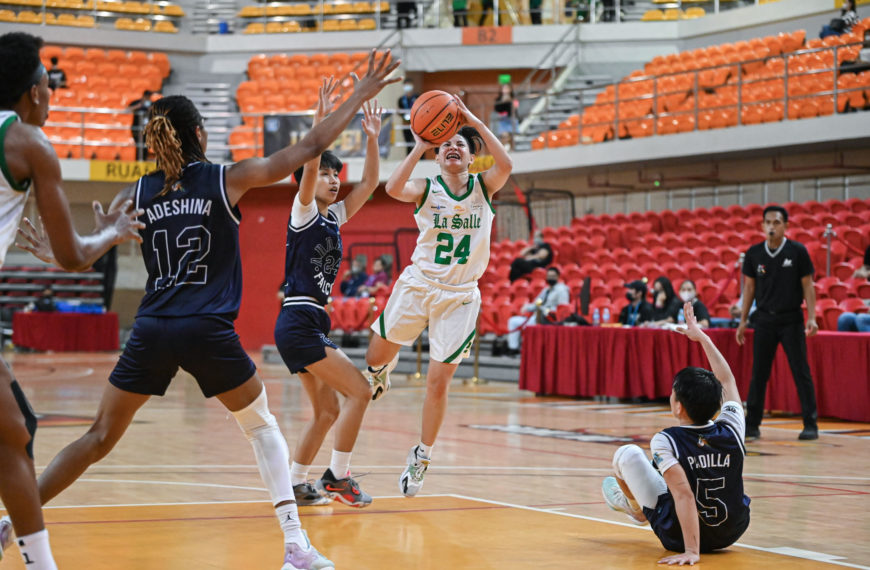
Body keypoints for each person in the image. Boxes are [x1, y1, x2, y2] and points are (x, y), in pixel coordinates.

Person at [21, 50, 401, 569]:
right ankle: (295, 546)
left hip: (152, 325)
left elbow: (94, 244)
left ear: (157, 140)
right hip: (206, 327)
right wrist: (360, 95)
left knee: (99, 435)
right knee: (262, 427)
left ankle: (13, 520)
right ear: (199, 133)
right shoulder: (227, 178)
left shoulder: (139, 190)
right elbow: (311, 146)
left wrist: (63, 247)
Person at [0, 31, 144, 570]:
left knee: (19, 429)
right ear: (34, 92)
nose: (51, 95)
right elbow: (75, 256)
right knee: (12, 434)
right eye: (47, 85)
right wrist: (110, 231)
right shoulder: (28, 144)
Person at [363, 97, 513, 497]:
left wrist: (474, 121)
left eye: (460, 146)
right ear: (438, 153)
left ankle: (422, 454)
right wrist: (419, 144)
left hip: (460, 297)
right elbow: (393, 187)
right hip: (419, 285)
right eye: (446, 145)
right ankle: (382, 373)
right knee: (374, 356)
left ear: (469, 157)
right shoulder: (426, 188)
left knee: (438, 383)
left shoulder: (485, 187)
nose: (452, 148)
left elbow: (507, 165)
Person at [274, 81, 383, 509]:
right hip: (299, 320)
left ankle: (296, 483)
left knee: (327, 412)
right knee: (359, 392)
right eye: (325, 172)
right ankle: (339, 477)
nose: (334, 179)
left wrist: (373, 139)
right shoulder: (302, 212)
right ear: (306, 177)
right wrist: (319, 120)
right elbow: (312, 154)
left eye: (336, 173)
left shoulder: (335, 216)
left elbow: (371, 182)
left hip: (309, 321)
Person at [602, 302, 751, 566]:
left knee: (626, 454)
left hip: (679, 537)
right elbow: (727, 380)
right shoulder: (732, 428)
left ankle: (634, 508)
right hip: (732, 531)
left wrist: (692, 551)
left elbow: (683, 494)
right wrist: (703, 337)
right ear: (718, 403)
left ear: (678, 406)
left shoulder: (667, 439)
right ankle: (633, 505)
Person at [737, 204, 819, 441]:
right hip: (763, 319)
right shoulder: (754, 253)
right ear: (762, 225)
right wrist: (743, 320)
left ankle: (810, 424)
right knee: (758, 373)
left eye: (776, 222)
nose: (772, 227)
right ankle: (752, 425)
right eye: (768, 222)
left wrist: (811, 316)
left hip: (791, 319)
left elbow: (808, 285)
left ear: (785, 225)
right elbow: (749, 289)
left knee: (800, 371)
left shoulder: (797, 251)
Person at [505, 266, 569, 356]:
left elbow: (562, 308)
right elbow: (538, 302)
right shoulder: (546, 290)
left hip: (550, 320)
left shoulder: (562, 290)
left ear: (558, 277)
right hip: (538, 317)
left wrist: (543, 309)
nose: (551, 278)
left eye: (553, 276)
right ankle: (513, 348)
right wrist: (528, 307)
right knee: (513, 321)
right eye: (549, 276)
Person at [128, 89, 154, 160]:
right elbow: (127, 109)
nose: (148, 98)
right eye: (147, 96)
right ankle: (138, 160)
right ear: (144, 96)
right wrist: (138, 106)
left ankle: (144, 160)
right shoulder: (137, 102)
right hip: (137, 127)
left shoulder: (152, 104)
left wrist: (151, 110)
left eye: (149, 97)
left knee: (145, 145)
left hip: (147, 129)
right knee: (139, 145)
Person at [397, 80, 418, 156]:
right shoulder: (401, 99)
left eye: (409, 85)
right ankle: (409, 158)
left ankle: (421, 158)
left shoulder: (417, 97)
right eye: (406, 86)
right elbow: (399, 111)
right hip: (405, 123)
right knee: (408, 142)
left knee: (418, 142)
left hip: (417, 123)